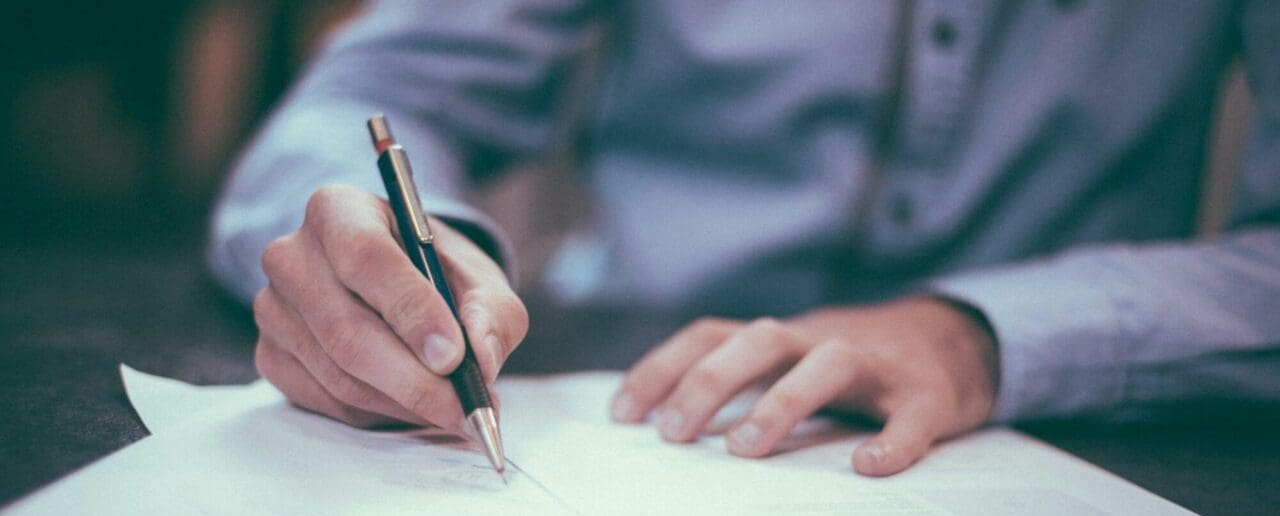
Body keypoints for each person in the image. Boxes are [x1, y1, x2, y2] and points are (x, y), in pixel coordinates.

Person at [210, 2, 1280, 476]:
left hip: (1085, 434)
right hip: (630, 399)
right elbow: (368, 95)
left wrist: (982, 335)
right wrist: (371, 251)